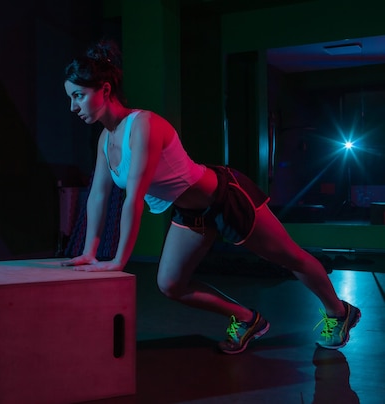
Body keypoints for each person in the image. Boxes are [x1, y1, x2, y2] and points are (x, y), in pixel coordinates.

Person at [60, 39, 361, 354]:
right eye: (71, 98)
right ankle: (248, 319)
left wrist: (119, 262)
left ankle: (339, 312)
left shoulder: (144, 125)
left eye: (79, 96)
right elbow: (98, 194)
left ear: (105, 91)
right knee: (171, 285)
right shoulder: (106, 141)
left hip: (226, 197)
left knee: (289, 258)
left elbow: (133, 197)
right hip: (191, 215)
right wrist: (89, 253)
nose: (73, 107)